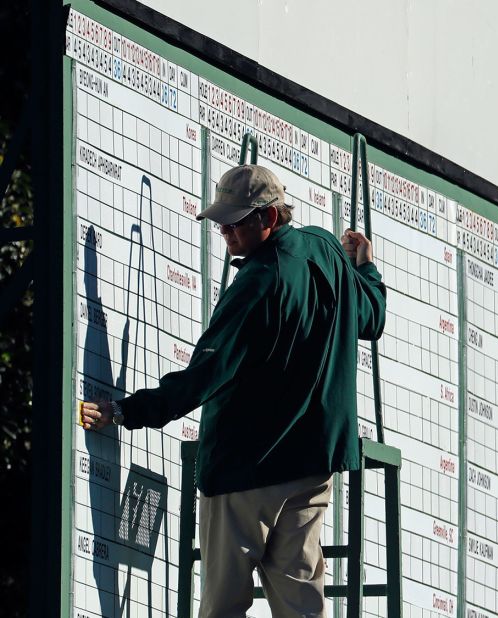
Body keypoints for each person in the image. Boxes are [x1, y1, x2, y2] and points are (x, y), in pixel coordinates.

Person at [79, 164, 386, 618]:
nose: (225, 230)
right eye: (221, 220)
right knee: (302, 606)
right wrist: (366, 268)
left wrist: (126, 411)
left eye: (237, 220)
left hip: (245, 470)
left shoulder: (259, 282)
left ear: (271, 218)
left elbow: (206, 373)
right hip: (311, 466)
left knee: (223, 605)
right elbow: (370, 318)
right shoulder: (324, 248)